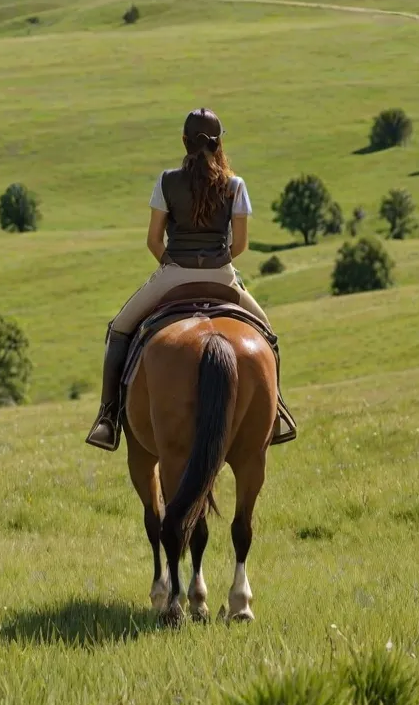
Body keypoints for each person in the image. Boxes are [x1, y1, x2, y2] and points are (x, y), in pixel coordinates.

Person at [86, 107, 296, 451]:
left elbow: (154, 240)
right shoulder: (235, 185)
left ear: (184, 142)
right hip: (222, 277)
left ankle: (107, 418)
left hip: (173, 276)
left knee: (119, 330)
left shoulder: (166, 181)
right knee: (268, 336)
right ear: (219, 144)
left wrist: (173, 265)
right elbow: (239, 244)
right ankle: (277, 413)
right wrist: (216, 262)